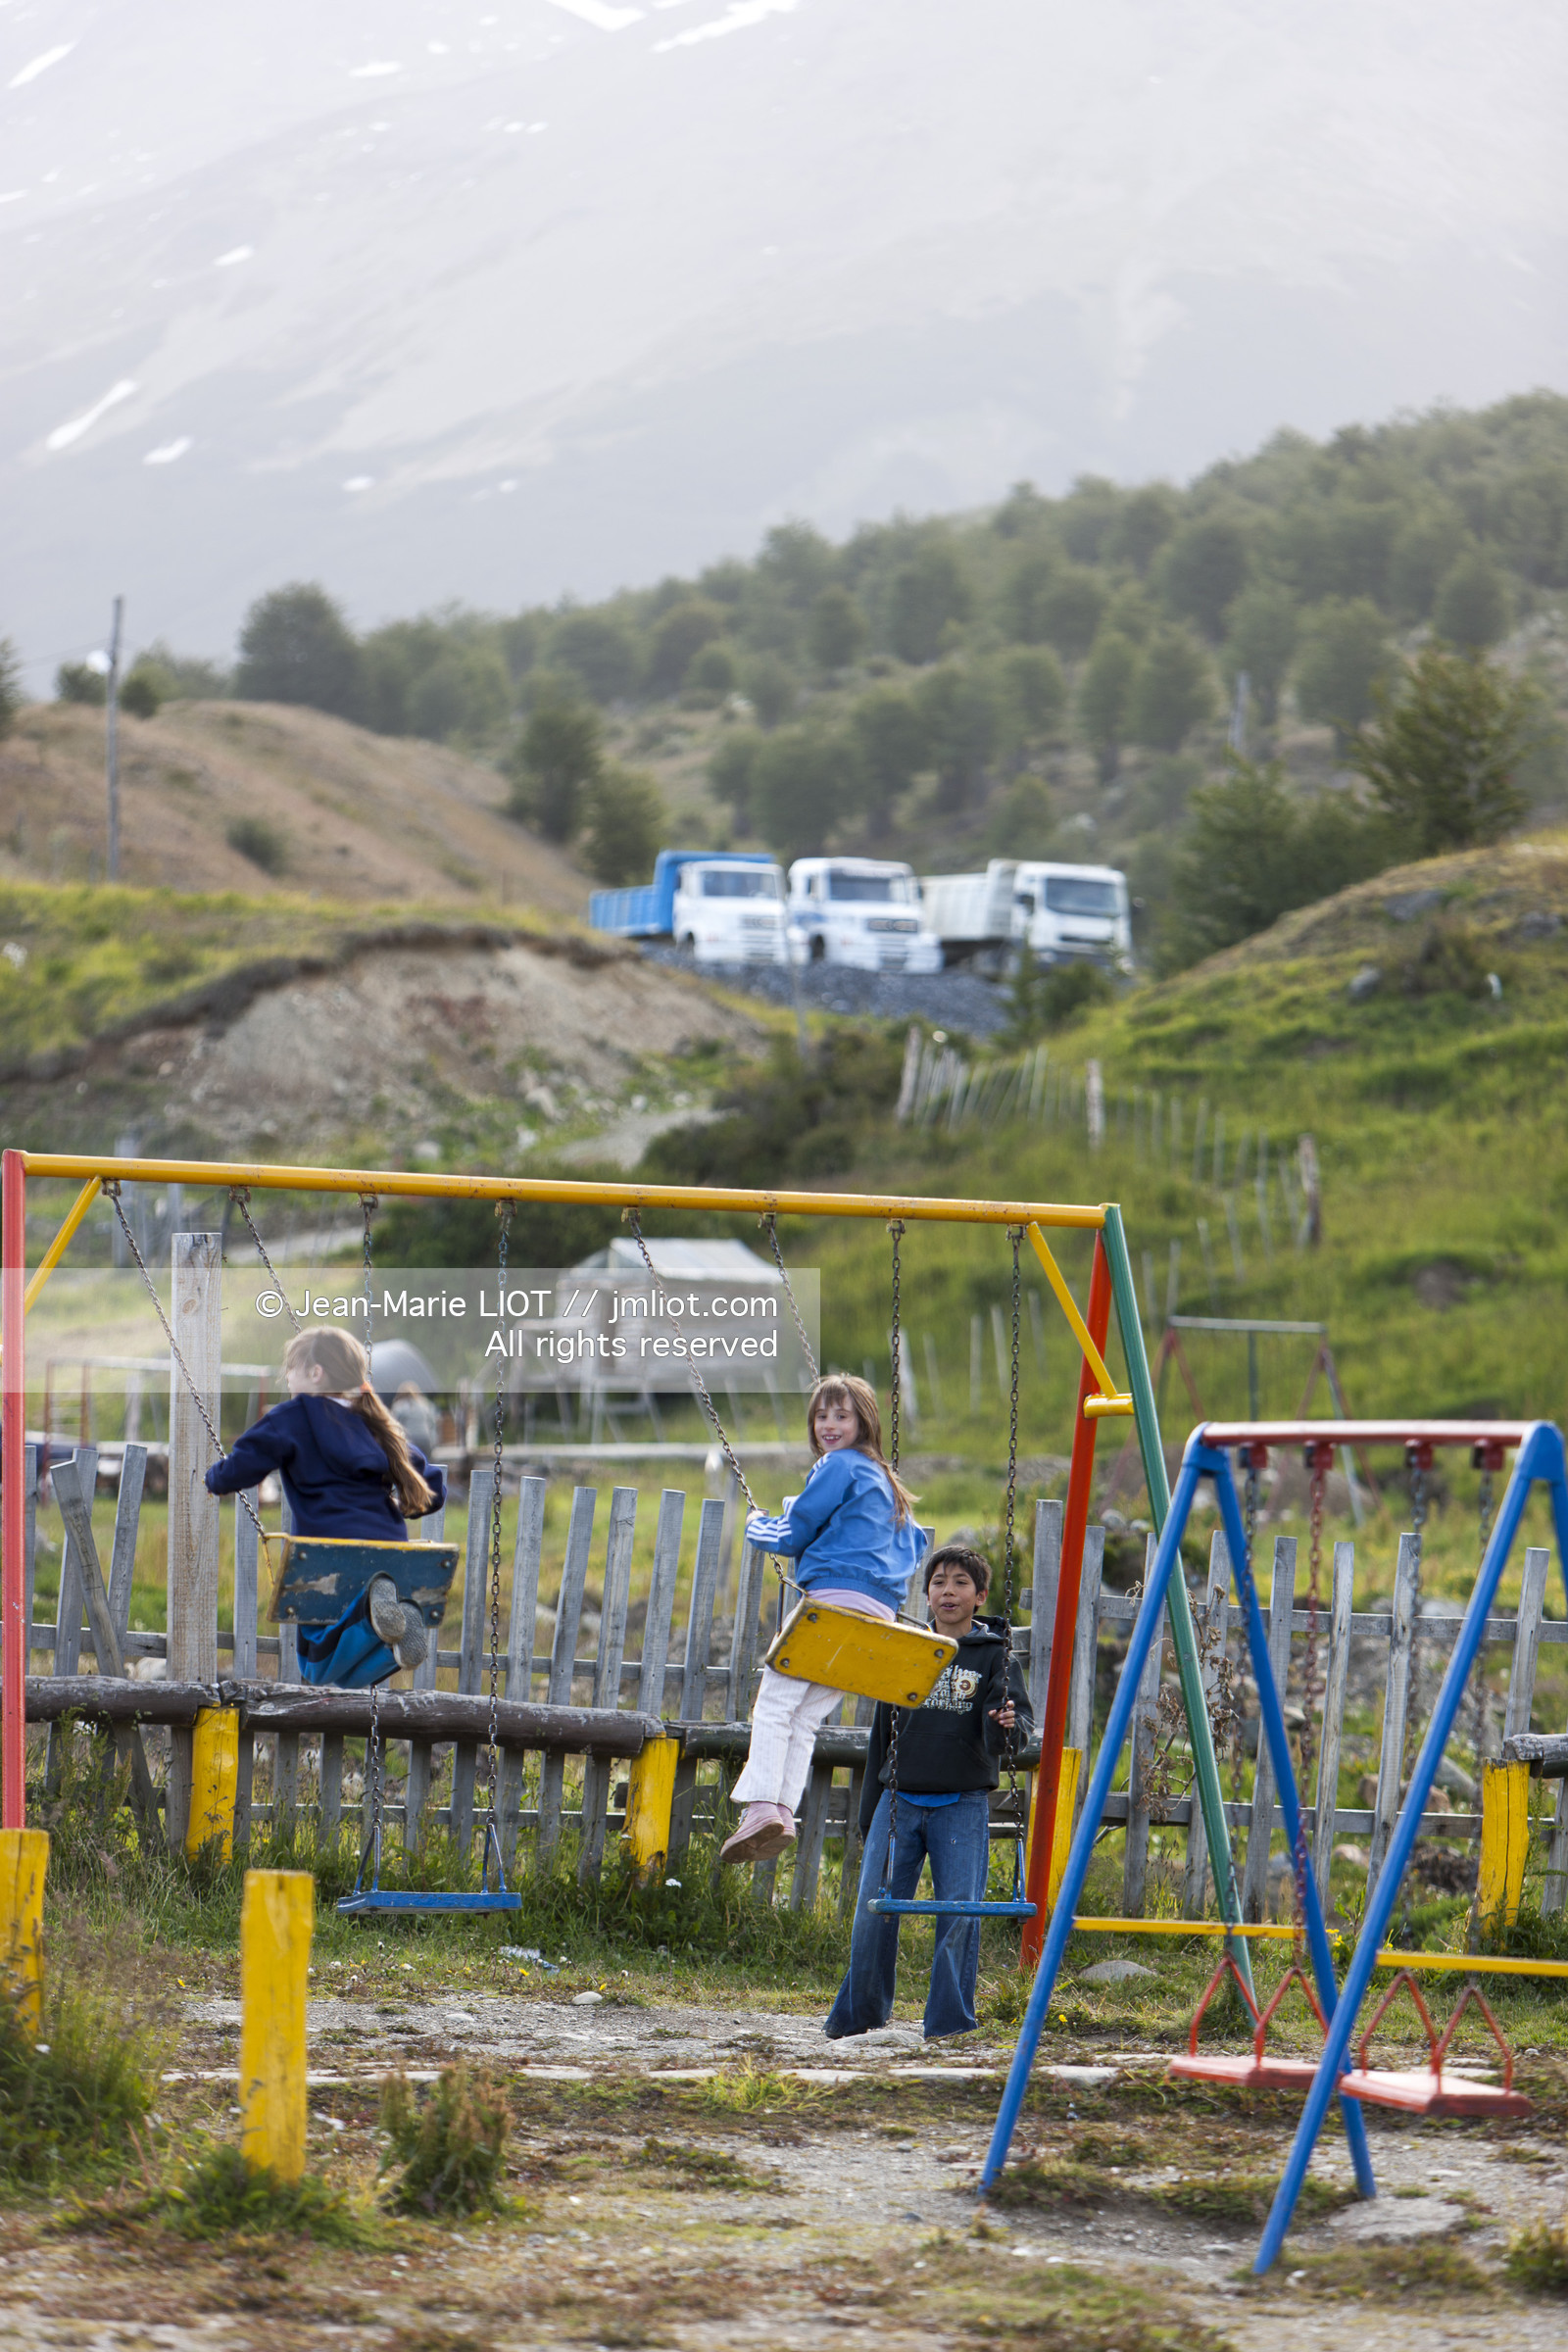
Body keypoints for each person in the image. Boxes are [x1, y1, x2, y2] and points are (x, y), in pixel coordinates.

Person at [825, 1543, 1033, 2041]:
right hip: (899, 1800)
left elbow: (1014, 1731)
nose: (948, 1591)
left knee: (958, 1913)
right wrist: (871, 1810)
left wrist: (1006, 1724)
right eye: (939, 1581)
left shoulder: (995, 1657)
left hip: (961, 1803)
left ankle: (948, 2024)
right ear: (927, 1595)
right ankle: (859, 2017)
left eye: (961, 1582)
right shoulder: (908, 1649)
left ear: (980, 1595)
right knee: (873, 1912)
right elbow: (882, 1737)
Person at [719, 1373, 924, 1867]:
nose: (829, 1425)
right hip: (876, 1617)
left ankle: (762, 1805)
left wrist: (756, 1524)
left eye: (842, 1415)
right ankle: (782, 1812)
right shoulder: (887, 1483)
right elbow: (912, 1544)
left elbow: (795, 1532)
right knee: (806, 1715)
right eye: (821, 1415)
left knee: (774, 1704)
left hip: (832, 1605)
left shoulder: (838, 1465)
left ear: (864, 1422)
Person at [206, 1326, 447, 1689]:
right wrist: (400, 1506)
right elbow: (433, 1486)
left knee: (315, 1669)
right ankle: (396, 1632)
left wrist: (213, 1478)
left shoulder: (293, 1416)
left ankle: (369, 1613)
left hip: (329, 1558)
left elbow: (238, 1469)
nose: (287, 1377)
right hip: (390, 1553)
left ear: (315, 1373)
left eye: (292, 1368)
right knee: (352, 1670)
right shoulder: (375, 1423)